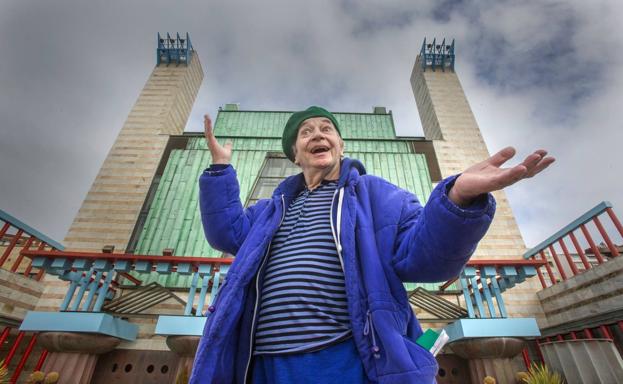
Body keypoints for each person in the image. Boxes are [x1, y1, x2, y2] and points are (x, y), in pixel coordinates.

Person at [189, 106, 554, 384]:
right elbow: (228, 233)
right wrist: (221, 169)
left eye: (327, 128)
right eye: (306, 132)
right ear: (295, 155)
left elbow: (425, 260)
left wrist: (456, 199)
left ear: (341, 145)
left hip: (340, 358)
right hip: (261, 361)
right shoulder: (271, 210)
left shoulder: (379, 196)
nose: (318, 134)